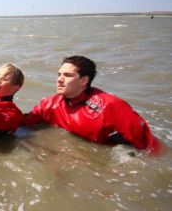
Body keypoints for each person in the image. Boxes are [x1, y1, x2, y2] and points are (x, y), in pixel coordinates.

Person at [22, 55, 162, 154]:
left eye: (67, 75)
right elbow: (22, 123)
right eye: (59, 74)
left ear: (84, 80)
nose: (59, 79)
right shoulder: (50, 104)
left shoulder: (110, 105)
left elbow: (149, 146)